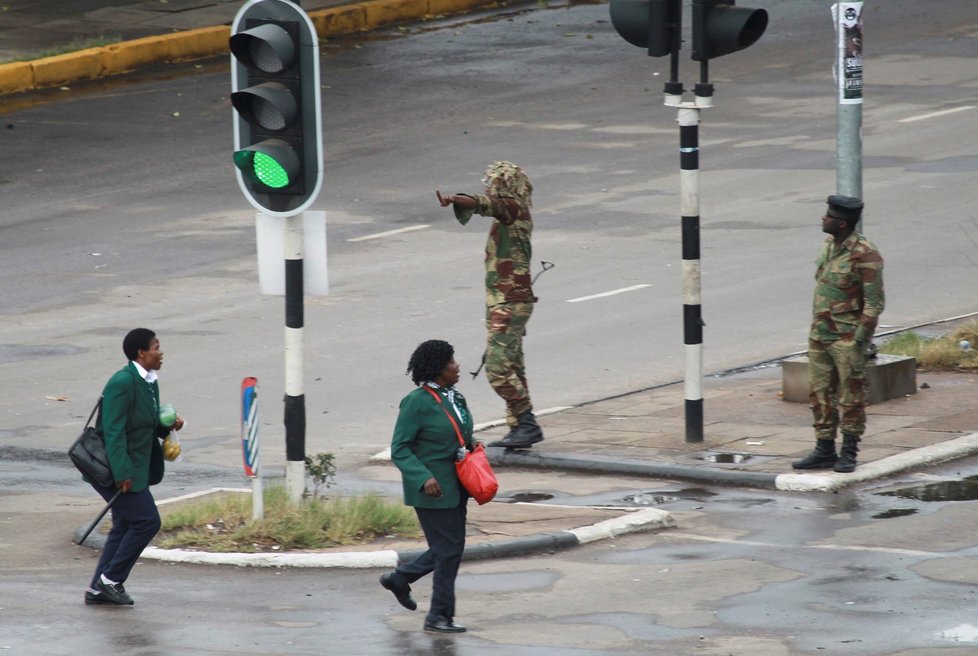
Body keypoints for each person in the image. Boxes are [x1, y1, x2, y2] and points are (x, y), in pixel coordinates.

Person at [436, 160, 543, 450]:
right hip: (506, 300)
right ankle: (519, 427)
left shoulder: (513, 209)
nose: (488, 186)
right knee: (513, 364)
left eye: (493, 182)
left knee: (497, 368)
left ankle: (527, 423)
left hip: (509, 302)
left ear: (505, 186)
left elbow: (484, 204)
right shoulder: (512, 214)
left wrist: (454, 199)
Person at [84, 328, 184, 606]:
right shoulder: (122, 382)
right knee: (147, 521)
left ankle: (97, 588)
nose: (161, 352)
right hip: (118, 469)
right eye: (156, 347)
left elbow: (146, 423)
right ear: (142, 353)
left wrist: (168, 426)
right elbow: (113, 431)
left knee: (125, 524)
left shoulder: (149, 381)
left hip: (136, 467)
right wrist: (122, 473)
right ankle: (110, 580)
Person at [380, 340, 474, 633]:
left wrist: (472, 448)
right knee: (448, 550)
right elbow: (400, 448)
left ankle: (401, 579)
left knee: (451, 548)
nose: (457, 365)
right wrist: (422, 477)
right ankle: (438, 617)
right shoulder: (416, 402)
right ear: (437, 368)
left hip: (458, 485)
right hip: (432, 489)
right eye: (451, 362)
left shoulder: (455, 397)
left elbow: (459, 435)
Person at [793, 196, 884, 474]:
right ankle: (824, 449)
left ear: (842, 223)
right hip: (820, 334)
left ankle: (849, 451)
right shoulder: (829, 246)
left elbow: (874, 303)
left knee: (851, 395)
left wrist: (859, 340)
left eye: (829, 216)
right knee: (819, 393)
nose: (823, 218)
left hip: (847, 339)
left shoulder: (865, 254)